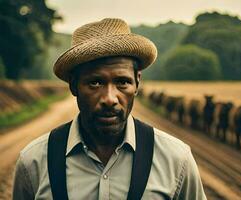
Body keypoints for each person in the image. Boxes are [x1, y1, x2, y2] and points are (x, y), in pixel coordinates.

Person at [12, 18, 207, 200]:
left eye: (122, 82)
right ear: (73, 85)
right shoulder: (33, 162)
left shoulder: (177, 160)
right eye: (95, 83)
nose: (109, 99)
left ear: (137, 83)